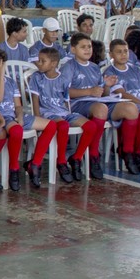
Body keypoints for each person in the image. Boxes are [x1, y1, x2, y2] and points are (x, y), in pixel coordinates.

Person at [0, 47, 67, 189]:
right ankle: (14, 169)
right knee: (16, 131)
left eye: (0, 64)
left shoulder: (11, 81)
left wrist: (21, 116)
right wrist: (1, 74)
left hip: (13, 116)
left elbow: (18, 105)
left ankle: (35, 163)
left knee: (51, 125)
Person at [64, 32, 140, 180]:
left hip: (98, 102)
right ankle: (94, 155)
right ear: (73, 49)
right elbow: (64, 92)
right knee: (101, 109)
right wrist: (89, 91)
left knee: (131, 109)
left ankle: (127, 152)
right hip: (77, 104)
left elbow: (102, 93)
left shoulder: (94, 67)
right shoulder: (69, 67)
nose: (87, 50)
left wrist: (107, 86)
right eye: (83, 47)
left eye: (89, 47)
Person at [29, 46, 99, 183]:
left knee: (90, 126)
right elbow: (35, 100)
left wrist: (70, 114)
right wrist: (38, 117)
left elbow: (66, 100)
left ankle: (76, 158)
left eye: (43, 61)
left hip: (64, 111)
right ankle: (61, 161)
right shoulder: (37, 77)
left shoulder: (63, 79)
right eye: (39, 60)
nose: (39, 63)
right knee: (63, 125)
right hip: (47, 113)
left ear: (54, 64)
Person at [104, 39, 140, 173]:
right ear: (111, 54)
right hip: (123, 105)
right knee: (133, 114)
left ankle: (136, 152)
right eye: (119, 52)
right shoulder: (110, 72)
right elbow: (122, 94)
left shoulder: (137, 70)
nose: (123, 54)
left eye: (126, 51)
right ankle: (127, 152)